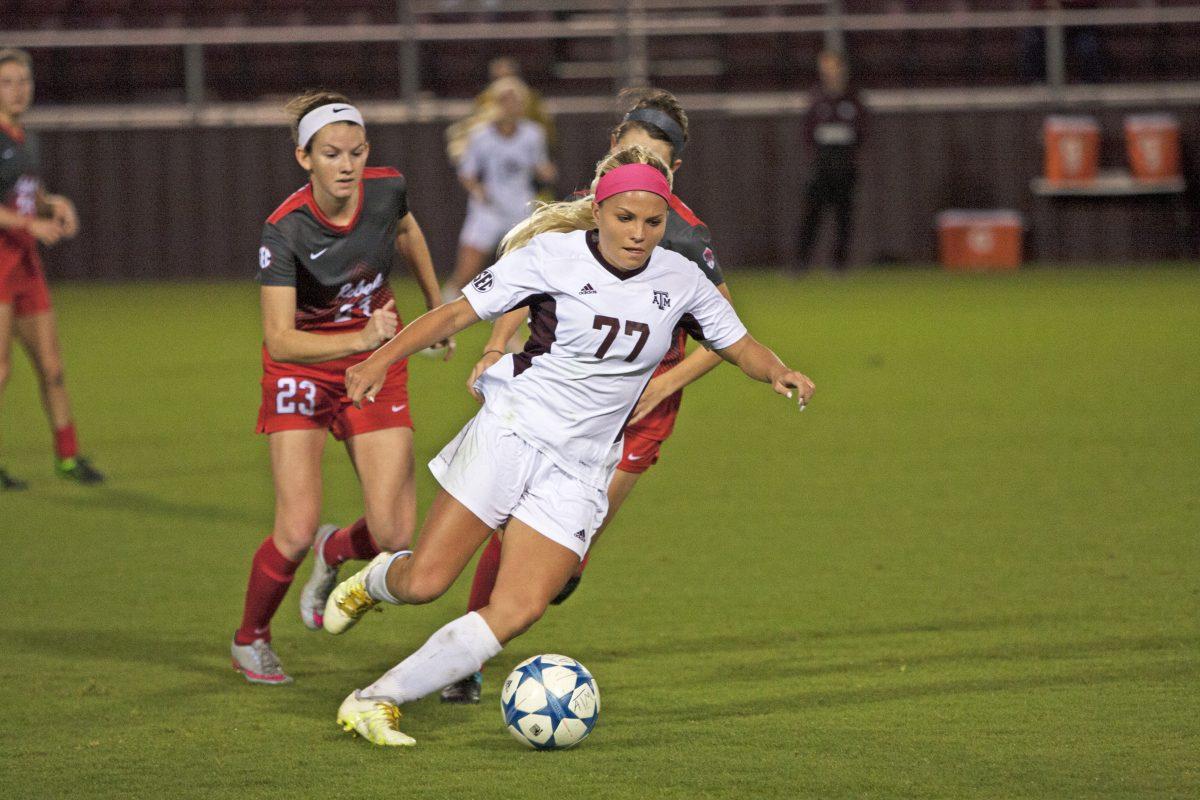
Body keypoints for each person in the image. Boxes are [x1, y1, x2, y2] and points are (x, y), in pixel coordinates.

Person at [321, 145, 815, 746]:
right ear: (599, 210)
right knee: (425, 584)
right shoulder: (550, 255)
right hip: (513, 430)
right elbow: (457, 314)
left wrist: (778, 370)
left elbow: (739, 343)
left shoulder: (681, 278)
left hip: (582, 465)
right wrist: (382, 358)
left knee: (522, 607)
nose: (639, 233)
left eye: (653, 222)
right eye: (625, 218)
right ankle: (374, 581)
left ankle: (376, 700)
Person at [441, 87, 731, 704]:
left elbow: (727, 336)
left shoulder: (683, 235)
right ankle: (463, 659)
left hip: (638, 419)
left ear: (673, 170)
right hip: (563, 403)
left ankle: (511, 607)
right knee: (509, 529)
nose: (637, 166)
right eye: (628, 151)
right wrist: (497, 347)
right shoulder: (591, 211)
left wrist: (663, 385)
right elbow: (523, 289)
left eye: (652, 158)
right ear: (611, 150)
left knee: (564, 568)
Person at [230, 90, 451, 685]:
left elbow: (406, 230)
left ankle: (336, 552)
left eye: (356, 151)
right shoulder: (285, 229)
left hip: (375, 360)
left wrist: (435, 310)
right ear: (304, 157)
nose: (347, 165)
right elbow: (279, 340)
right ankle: (250, 637)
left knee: (394, 535)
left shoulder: (386, 188)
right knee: (294, 527)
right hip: (304, 368)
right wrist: (360, 342)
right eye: (331, 153)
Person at [0, 48, 104, 490]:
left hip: (26, 264)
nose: (18, 90)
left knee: (52, 366)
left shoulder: (25, 136)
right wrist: (30, 223)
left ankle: (67, 457)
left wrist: (54, 204)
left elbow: (27, 192)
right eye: (7, 82)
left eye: (23, 81)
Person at [443, 76, 556, 300]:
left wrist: (547, 172)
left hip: (521, 206)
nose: (510, 105)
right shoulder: (480, 135)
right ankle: (444, 306)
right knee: (467, 269)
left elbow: (540, 167)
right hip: (489, 207)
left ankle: (520, 310)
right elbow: (467, 173)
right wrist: (477, 190)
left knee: (527, 267)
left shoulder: (533, 133)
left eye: (515, 100)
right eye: (505, 100)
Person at [794, 49, 867, 273]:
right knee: (811, 216)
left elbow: (863, 131)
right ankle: (801, 264)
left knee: (844, 218)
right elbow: (808, 133)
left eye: (833, 67)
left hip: (845, 168)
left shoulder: (853, 99)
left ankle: (839, 266)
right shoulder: (817, 99)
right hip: (821, 167)